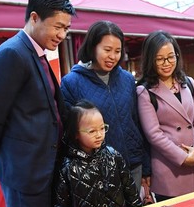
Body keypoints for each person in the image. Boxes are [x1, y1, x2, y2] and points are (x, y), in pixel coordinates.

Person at [0, 0, 76, 207]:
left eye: (66, 28)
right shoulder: (12, 54)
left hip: (44, 167)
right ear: (34, 18)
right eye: (57, 27)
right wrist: (4, 158)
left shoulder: (37, 53)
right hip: (26, 174)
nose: (62, 35)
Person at [60, 20, 148, 194]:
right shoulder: (71, 82)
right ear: (93, 47)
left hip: (132, 163)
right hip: (95, 169)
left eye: (117, 51)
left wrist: (146, 165)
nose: (113, 57)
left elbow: (135, 122)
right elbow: (69, 133)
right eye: (107, 50)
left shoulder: (127, 79)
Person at [136, 30, 194, 201]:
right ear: (150, 60)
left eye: (171, 57)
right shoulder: (145, 91)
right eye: (159, 59)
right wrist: (183, 157)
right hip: (170, 169)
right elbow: (154, 135)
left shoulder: (188, 83)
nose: (166, 63)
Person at [53, 100, 142, 207]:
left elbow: (131, 193)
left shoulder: (113, 155)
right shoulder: (67, 167)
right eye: (92, 131)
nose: (99, 135)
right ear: (75, 133)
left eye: (102, 128)